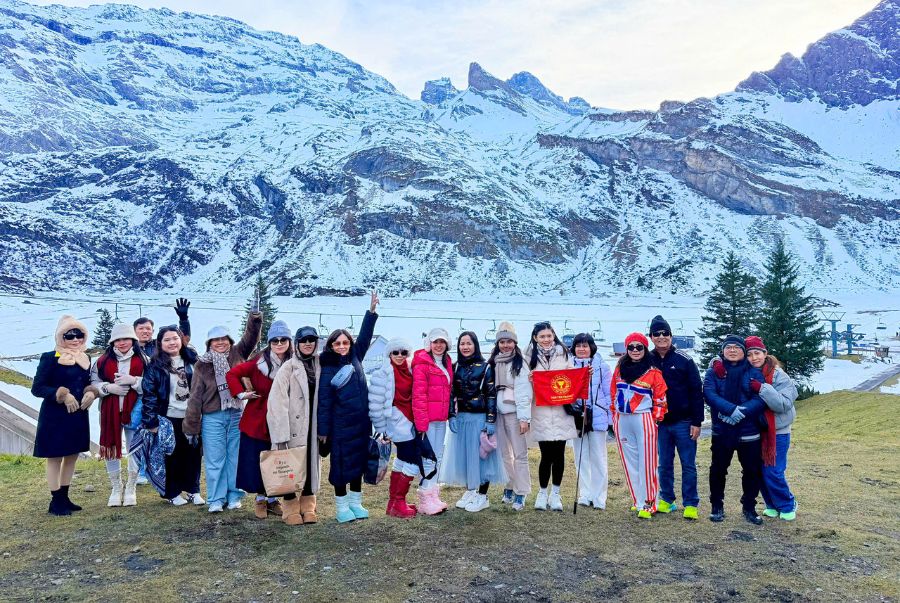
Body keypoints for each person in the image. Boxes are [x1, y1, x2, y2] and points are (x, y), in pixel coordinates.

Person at [183, 310, 263, 513]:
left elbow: (251, 337)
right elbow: (195, 397)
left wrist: (255, 319)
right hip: (212, 417)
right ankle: (216, 499)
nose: (220, 342)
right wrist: (191, 426)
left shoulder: (238, 354)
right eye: (215, 340)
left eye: (223, 339)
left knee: (234, 457)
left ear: (230, 340)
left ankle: (234, 496)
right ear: (209, 343)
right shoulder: (202, 364)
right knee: (215, 459)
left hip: (236, 413)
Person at [317, 292, 379, 523]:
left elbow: (365, 336)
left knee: (358, 464)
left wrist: (371, 312)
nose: (342, 346)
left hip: (361, 425)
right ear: (331, 346)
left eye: (345, 342)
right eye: (338, 343)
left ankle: (356, 504)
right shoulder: (328, 367)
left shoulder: (356, 357)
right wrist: (323, 431)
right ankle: (342, 508)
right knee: (341, 467)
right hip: (340, 427)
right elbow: (324, 402)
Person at [32, 315, 99, 516]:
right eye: (70, 336)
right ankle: (55, 500)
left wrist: (90, 392)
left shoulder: (85, 359)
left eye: (79, 335)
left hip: (77, 415)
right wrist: (62, 395)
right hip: (55, 416)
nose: (75, 339)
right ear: (61, 337)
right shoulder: (49, 358)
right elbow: (37, 388)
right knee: (55, 457)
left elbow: (88, 383)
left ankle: (64, 497)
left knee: (71, 455)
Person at [226, 320, 293, 520]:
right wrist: (241, 394)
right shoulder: (259, 363)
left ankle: (273, 499)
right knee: (258, 461)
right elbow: (232, 374)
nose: (279, 344)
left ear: (289, 341)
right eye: (275, 340)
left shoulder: (294, 363)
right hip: (257, 420)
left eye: (283, 340)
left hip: (282, 420)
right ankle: (260, 499)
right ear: (269, 342)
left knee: (277, 460)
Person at [705, 335, 767, 525]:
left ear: (743, 351)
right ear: (722, 351)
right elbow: (709, 393)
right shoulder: (714, 372)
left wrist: (741, 412)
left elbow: (760, 398)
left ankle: (749, 506)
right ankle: (717, 506)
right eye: (728, 347)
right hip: (722, 430)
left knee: (751, 471)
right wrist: (730, 410)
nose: (732, 350)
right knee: (718, 469)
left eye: (737, 347)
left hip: (749, 430)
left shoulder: (754, 372)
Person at [647, 315, 704, 520]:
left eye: (665, 333)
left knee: (688, 464)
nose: (661, 337)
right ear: (651, 337)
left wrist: (697, 422)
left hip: (684, 421)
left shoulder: (684, 359)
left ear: (671, 336)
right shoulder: (647, 359)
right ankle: (667, 499)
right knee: (664, 464)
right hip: (660, 422)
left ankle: (690, 503)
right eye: (657, 334)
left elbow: (696, 391)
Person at [441, 332, 505, 512]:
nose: (465, 347)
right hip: (462, 419)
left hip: (479, 419)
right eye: (462, 343)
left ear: (475, 345)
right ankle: (471, 491)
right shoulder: (455, 367)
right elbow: (451, 394)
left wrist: (490, 420)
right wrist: (451, 415)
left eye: (469, 343)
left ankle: (483, 496)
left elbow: (491, 395)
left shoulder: (486, 367)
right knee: (466, 457)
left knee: (482, 458)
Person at [141, 326, 203, 506]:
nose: (172, 342)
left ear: (181, 340)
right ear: (160, 343)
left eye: (175, 338)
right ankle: (172, 492)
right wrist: (151, 421)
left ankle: (193, 490)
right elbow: (149, 394)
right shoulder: (154, 366)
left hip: (191, 416)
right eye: (167, 340)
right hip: (168, 417)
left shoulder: (192, 360)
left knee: (193, 455)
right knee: (171, 456)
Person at [267, 326, 322, 526]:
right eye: (303, 340)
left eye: (311, 340)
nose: (308, 343)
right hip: (292, 427)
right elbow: (276, 401)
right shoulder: (288, 367)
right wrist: (280, 434)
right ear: (296, 343)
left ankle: (308, 506)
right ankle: (290, 507)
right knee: (289, 467)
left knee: (310, 465)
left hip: (313, 426)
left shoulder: (320, 365)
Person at [610, 333, 668, 519]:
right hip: (622, 419)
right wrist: (614, 414)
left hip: (643, 418)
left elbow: (660, 398)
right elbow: (613, 392)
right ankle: (638, 501)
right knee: (630, 462)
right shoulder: (619, 368)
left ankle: (650, 503)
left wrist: (656, 419)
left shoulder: (653, 372)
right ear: (626, 349)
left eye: (639, 347)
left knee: (647, 463)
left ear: (645, 348)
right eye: (631, 347)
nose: (635, 350)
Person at [90, 323, 146, 507]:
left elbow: (152, 384)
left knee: (134, 448)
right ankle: (116, 487)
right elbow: (93, 382)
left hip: (135, 412)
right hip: (109, 411)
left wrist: (135, 381)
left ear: (133, 340)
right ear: (112, 342)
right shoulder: (102, 361)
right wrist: (108, 388)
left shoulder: (143, 360)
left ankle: (131, 487)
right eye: (118, 339)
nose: (122, 343)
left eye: (126, 339)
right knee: (111, 447)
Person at [745, 336, 799, 521]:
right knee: (759, 471)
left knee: (773, 471)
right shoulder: (746, 373)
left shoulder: (778, 375)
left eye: (757, 353)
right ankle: (771, 505)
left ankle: (788, 504)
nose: (754, 358)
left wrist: (762, 388)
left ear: (765, 353)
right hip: (756, 430)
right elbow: (725, 363)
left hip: (778, 432)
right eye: (749, 354)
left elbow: (783, 404)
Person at [525, 321, 575, 512]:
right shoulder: (528, 356)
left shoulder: (564, 354)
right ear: (535, 338)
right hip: (541, 411)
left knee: (559, 454)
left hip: (561, 411)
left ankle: (556, 493)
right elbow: (522, 383)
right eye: (542, 336)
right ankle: (542, 492)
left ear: (553, 335)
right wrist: (530, 380)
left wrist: (584, 375)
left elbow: (572, 378)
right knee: (546, 454)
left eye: (549, 335)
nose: (546, 339)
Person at [368, 338, 419, 518]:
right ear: (389, 354)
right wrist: (382, 428)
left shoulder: (411, 370)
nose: (399, 356)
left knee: (403, 458)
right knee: (413, 460)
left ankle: (394, 503)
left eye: (403, 352)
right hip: (395, 423)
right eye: (395, 352)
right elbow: (375, 404)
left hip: (409, 421)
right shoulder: (381, 374)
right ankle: (398, 501)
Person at [488, 322, 532, 511]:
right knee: (504, 454)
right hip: (498, 413)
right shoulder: (493, 362)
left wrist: (524, 418)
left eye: (509, 341)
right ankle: (509, 485)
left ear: (514, 342)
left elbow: (524, 392)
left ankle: (521, 491)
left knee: (520, 454)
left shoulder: (519, 363)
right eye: (502, 342)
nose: (505, 345)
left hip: (515, 413)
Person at [411, 327, 454, 515]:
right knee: (428, 458)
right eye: (435, 341)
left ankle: (433, 496)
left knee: (437, 456)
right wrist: (421, 423)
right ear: (429, 343)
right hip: (427, 420)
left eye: (442, 342)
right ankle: (425, 499)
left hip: (440, 419)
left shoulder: (447, 362)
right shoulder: (422, 363)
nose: (438, 345)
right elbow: (418, 395)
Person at [570, 333, 612, 511]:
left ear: (591, 347)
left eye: (585, 345)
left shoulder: (602, 367)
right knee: (580, 456)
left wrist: (610, 418)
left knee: (598, 457)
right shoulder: (568, 366)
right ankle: (585, 494)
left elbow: (609, 393)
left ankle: (599, 496)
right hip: (577, 416)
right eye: (578, 346)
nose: (581, 349)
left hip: (598, 415)